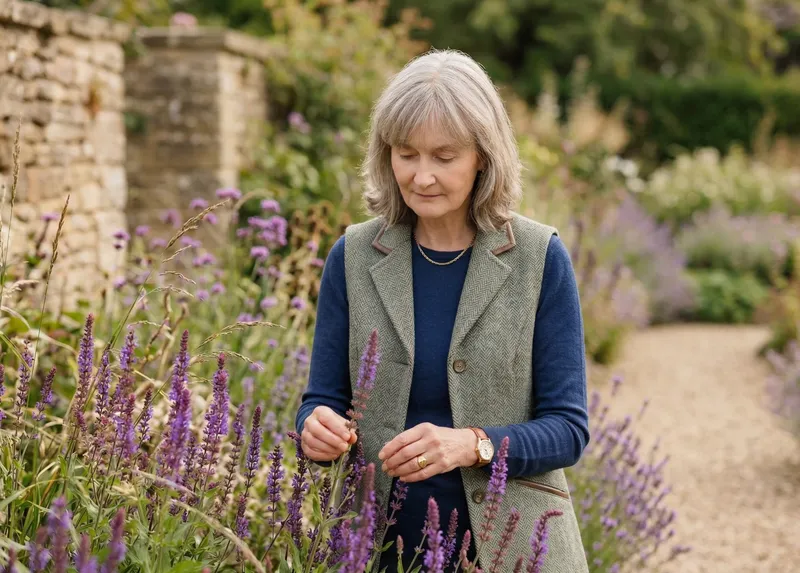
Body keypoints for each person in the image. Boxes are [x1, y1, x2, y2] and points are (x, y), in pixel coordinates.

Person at [295, 49, 590, 572]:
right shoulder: (354, 256)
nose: (422, 176)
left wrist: (471, 445)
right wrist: (314, 427)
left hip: (513, 550)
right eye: (406, 153)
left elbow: (568, 429)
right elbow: (322, 398)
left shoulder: (538, 257)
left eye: (444, 156)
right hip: (377, 549)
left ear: (483, 156)